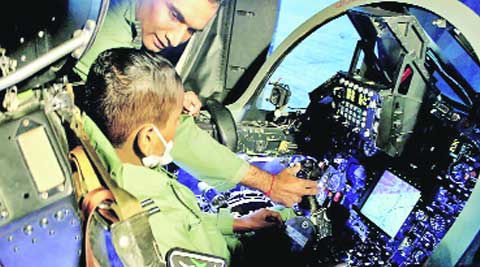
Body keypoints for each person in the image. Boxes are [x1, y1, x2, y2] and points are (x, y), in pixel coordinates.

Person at [75, 0, 318, 207]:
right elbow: (170, 130)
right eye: (174, 15)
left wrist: (171, 94)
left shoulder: (126, 19)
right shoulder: (103, 34)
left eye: (191, 30)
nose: (176, 38)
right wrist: (269, 184)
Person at [83, 47, 290, 262]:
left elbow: (188, 222)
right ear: (147, 139)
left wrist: (241, 223)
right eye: (176, 122)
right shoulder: (154, 222)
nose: (178, 129)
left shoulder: (132, 174)